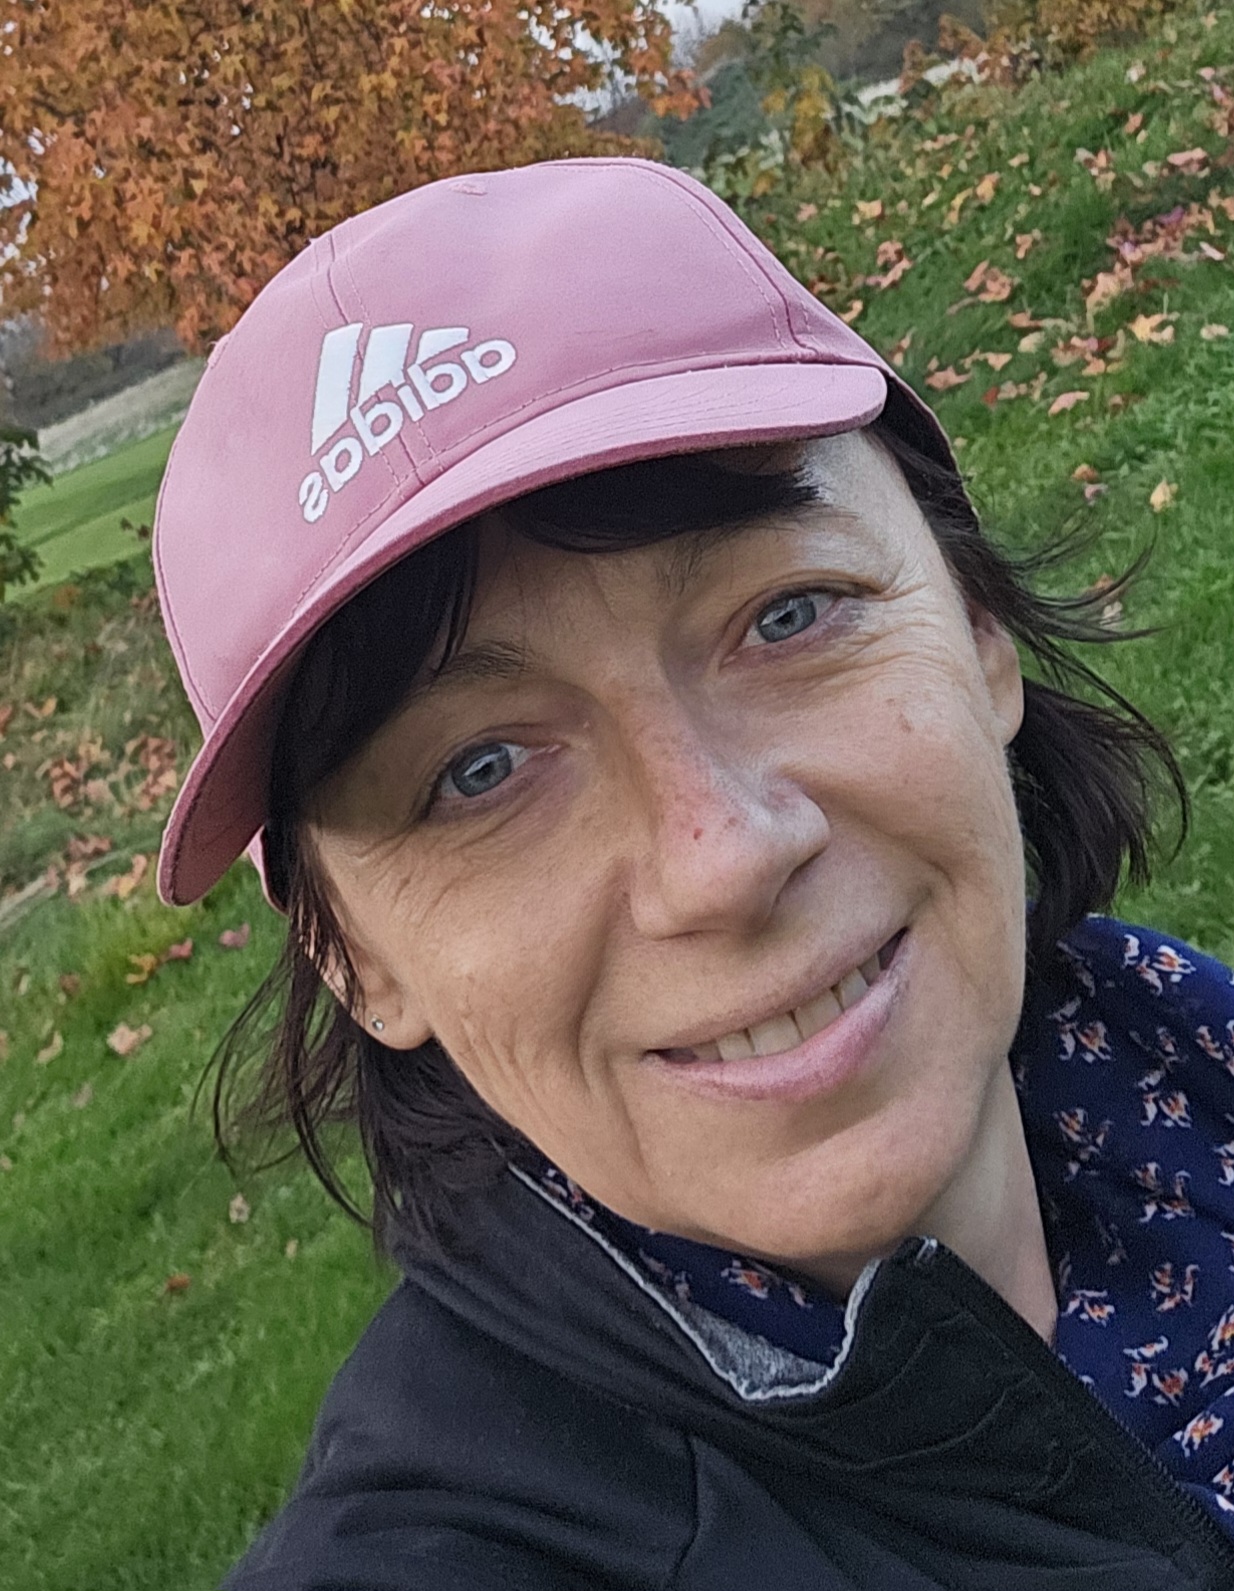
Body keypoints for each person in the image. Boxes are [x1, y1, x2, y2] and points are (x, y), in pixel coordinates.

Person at [153, 158, 1234, 1589]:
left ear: (977, 632)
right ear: (354, 954)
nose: (721, 857)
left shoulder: (1183, 1067)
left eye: (787, 615)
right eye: (478, 769)